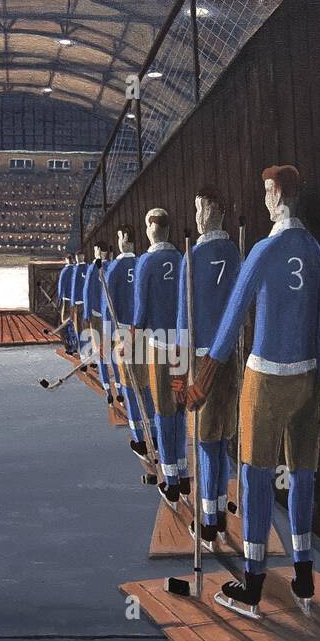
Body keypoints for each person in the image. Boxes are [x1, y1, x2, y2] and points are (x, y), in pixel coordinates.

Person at [183, 165, 320, 617]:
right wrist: (318, 381)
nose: (264, 200)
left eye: (267, 192)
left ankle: (253, 582)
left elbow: (230, 324)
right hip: (309, 376)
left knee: (255, 475)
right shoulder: (316, 252)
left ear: (278, 194)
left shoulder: (265, 250)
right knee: (303, 473)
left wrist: (201, 381)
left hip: (266, 378)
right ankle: (304, 575)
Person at [175, 186, 241, 551]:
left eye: (200, 209)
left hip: (202, 360)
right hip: (228, 358)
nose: (198, 217)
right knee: (221, 438)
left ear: (212, 211)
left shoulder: (192, 256)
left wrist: (178, 376)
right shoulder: (235, 253)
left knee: (204, 440)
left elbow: (183, 323)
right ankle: (218, 515)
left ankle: (209, 521)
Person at [132, 207, 187, 508]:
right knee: (179, 406)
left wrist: (130, 338)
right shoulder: (180, 259)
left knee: (162, 408)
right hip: (182, 344)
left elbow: (141, 312)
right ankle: (183, 469)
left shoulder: (146, 262)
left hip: (159, 344)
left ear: (151, 229)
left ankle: (171, 481)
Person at [103, 227, 151, 455]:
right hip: (146, 332)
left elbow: (108, 307)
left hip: (124, 332)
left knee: (130, 385)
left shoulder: (114, 269)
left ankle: (140, 438)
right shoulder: (143, 263)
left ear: (123, 239)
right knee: (147, 384)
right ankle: (154, 433)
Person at [81, 243, 116, 403]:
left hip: (97, 314)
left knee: (100, 351)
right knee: (112, 351)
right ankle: (119, 386)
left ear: (99, 251)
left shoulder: (93, 267)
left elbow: (87, 292)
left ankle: (108, 388)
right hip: (111, 316)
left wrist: (86, 313)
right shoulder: (113, 266)